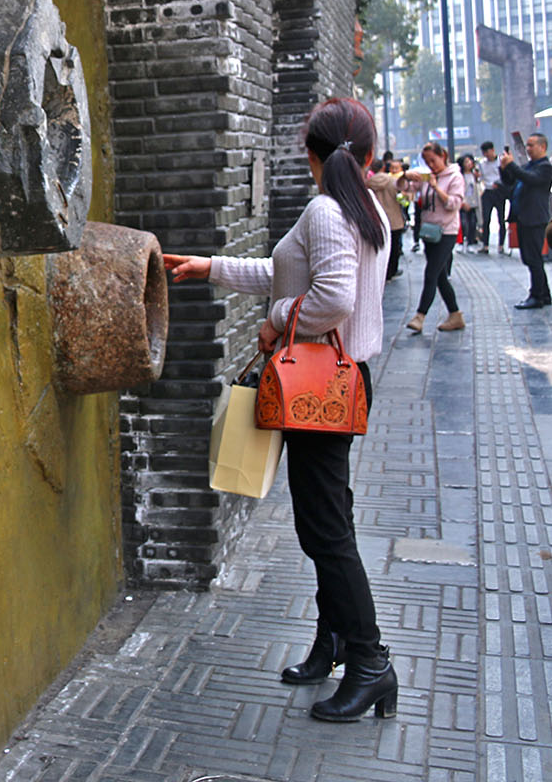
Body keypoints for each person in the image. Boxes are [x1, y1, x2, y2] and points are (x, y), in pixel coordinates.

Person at [164, 97, 395, 723]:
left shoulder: (326, 208)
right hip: (341, 381)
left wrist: (273, 324)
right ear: (368, 156)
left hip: (316, 383)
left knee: (324, 528)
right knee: (331, 519)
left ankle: (371, 662)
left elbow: (331, 300)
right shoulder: (366, 207)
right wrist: (209, 267)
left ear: (311, 154)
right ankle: (335, 641)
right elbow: (285, 271)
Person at [402, 144, 466, 332]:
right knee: (439, 277)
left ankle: (420, 316)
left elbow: (453, 204)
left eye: (433, 160)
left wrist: (437, 188)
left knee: (431, 273)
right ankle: (455, 315)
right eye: (427, 161)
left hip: (446, 232)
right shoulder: (426, 176)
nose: (431, 165)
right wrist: (406, 177)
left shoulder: (455, 177)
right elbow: (407, 189)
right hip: (429, 231)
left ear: (443, 156)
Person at [499, 133, 552, 308]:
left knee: (533, 258)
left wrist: (512, 165)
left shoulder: (545, 167)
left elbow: (530, 179)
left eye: (531, 145)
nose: (528, 148)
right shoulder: (529, 166)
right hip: (524, 217)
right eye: (527, 145)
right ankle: (544, 294)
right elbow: (511, 182)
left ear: (542, 147)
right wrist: (505, 167)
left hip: (535, 218)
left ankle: (537, 295)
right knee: (531, 258)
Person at [366, 158, 406, 280]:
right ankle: (391, 271)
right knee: (394, 247)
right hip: (394, 219)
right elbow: (402, 198)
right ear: (384, 168)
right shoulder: (393, 181)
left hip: (377, 219)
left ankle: (382, 272)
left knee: (381, 247)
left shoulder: (368, 183)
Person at [479, 140, 508, 253]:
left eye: (487, 152)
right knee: (486, 219)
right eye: (484, 153)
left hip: (499, 192)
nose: (486, 155)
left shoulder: (501, 162)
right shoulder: (482, 164)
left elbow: (506, 177)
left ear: (492, 150)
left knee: (501, 219)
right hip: (487, 192)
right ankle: (485, 245)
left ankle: (501, 245)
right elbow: (481, 178)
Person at [457, 154, 480, 254]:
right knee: (463, 223)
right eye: (466, 162)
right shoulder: (459, 176)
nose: (469, 163)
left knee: (472, 223)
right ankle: (461, 242)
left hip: (473, 202)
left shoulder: (474, 175)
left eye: (470, 161)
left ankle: (470, 242)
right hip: (463, 202)